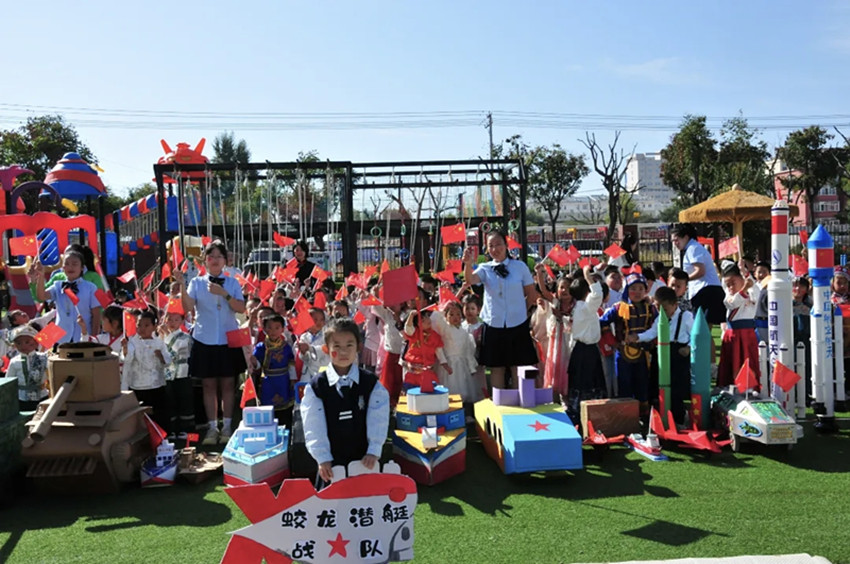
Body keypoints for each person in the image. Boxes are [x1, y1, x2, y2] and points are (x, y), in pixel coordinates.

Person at [300, 317, 390, 484]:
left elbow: (379, 418)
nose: (343, 352)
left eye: (349, 345)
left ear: (358, 347)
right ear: (326, 349)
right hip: (331, 466)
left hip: (365, 461)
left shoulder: (371, 384)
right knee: (332, 506)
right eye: (337, 347)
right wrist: (322, 457)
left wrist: (374, 450)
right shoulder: (317, 387)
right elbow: (313, 425)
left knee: (365, 505)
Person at [175, 240, 247, 445]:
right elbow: (187, 306)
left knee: (228, 383)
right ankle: (212, 428)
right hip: (204, 337)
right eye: (211, 256)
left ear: (225, 260)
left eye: (219, 256)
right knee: (208, 384)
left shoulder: (232, 282)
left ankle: (227, 426)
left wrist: (223, 293)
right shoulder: (196, 283)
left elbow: (241, 308)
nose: (215, 260)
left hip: (227, 337)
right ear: (205, 260)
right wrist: (181, 283)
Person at [462, 230, 538, 390]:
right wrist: (468, 264)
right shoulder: (485, 268)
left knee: (518, 367)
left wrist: (520, 312)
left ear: (506, 245)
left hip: (518, 323)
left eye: (498, 244)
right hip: (493, 324)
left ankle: (521, 406)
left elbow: (531, 294)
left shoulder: (520, 267)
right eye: (491, 245)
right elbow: (470, 280)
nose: (495, 249)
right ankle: (500, 405)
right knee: (496, 368)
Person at [630, 286, 693, 425]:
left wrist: (689, 347)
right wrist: (638, 337)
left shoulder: (686, 316)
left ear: (674, 304)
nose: (661, 311)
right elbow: (652, 333)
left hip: (678, 354)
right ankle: (658, 417)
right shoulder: (660, 318)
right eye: (658, 307)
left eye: (664, 308)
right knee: (657, 386)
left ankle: (678, 419)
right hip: (662, 354)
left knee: (677, 388)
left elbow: (695, 335)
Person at [600, 269, 658, 416]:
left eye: (640, 288)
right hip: (623, 354)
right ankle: (626, 417)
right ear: (627, 289)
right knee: (624, 384)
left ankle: (643, 416)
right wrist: (613, 341)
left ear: (646, 290)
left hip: (643, 354)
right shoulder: (619, 307)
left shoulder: (651, 308)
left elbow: (658, 327)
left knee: (642, 384)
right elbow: (602, 323)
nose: (637, 292)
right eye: (633, 288)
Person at [30, 251, 101, 343]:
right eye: (66, 264)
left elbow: (96, 315)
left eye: (74, 264)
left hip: (83, 335)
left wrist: (93, 337)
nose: (70, 267)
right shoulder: (58, 285)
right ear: (63, 268)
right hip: (61, 337)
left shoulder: (90, 287)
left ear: (82, 268)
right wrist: (41, 275)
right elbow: (41, 296)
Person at [564, 265, 606, 419]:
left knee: (580, 381)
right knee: (588, 381)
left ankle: (578, 410)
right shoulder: (585, 308)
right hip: (587, 351)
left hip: (581, 350)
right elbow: (597, 295)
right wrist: (587, 275)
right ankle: (586, 412)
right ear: (587, 292)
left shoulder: (578, 308)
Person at [122, 310, 172, 432]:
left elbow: (168, 360)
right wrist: (124, 348)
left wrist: (161, 356)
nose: (142, 328)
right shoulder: (133, 342)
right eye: (139, 325)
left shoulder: (159, 342)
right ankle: (143, 435)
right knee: (142, 412)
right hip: (139, 385)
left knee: (159, 411)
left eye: (146, 325)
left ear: (154, 326)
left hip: (156, 383)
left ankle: (162, 434)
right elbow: (127, 359)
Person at [671, 224, 725, 328]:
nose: (675, 244)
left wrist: (683, 280)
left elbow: (700, 271)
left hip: (705, 292)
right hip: (709, 291)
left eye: (676, 240)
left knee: (701, 331)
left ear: (686, 237)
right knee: (704, 332)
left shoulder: (693, 248)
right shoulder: (694, 248)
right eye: (673, 241)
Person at [718, 264, 761, 391]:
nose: (730, 287)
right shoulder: (728, 295)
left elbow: (756, 295)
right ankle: (728, 389)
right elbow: (732, 304)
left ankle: (750, 389)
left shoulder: (752, 290)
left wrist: (746, 275)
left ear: (741, 279)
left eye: (733, 282)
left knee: (747, 362)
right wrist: (743, 289)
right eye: (727, 284)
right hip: (731, 334)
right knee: (730, 364)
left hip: (746, 334)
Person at [430, 300, 478, 403]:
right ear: (446, 317)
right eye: (451, 314)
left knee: (463, 389)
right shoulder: (445, 330)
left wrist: (471, 367)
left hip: (462, 364)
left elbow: (468, 352)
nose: (455, 317)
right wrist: (443, 307)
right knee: (449, 388)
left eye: (458, 314)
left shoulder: (465, 333)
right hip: (448, 364)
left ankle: (464, 411)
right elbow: (437, 319)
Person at [252, 314, 296, 415]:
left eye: (277, 328)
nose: (273, 331)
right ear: (264, 329)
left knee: (285, 408)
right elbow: (258, 365)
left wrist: (292, 379)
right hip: (268, 380)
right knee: (268, 408)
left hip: (283, 379)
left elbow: (291, 363)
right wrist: (254, 361)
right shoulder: (261, 347)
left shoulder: (286, 346)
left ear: (282, 329)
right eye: (270, 328)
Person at [162, 309, 194, 437]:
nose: (172, 323)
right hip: (167, 372)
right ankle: (171, 429)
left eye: (176, 320)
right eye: (169, 319)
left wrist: (166, 335)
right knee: (170, 400)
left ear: (182, 321)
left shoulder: (185, 337)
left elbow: (175, 349)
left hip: (182, 372)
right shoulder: (160, 336)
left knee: (184, 400)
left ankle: (185, 429)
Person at [401, 309, 448, 392]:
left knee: (430, 390)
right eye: (422, 320)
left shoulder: (435, 336)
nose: (427, 320)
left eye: (427, 317)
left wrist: (444, 363)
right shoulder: (414, 333)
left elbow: (439, 351)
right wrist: (411, 316)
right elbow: (408, 328)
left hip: (427, 370)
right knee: (412, 392)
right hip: (413, 371)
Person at [7, 324, 49, 412]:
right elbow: (9, 381)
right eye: (18, 343)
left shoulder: (44, 358)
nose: (23, 346)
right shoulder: (14, 362)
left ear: (36, 343)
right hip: (22, 398)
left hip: (42, 395)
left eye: (27, 342)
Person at [298, 308, 330, 382]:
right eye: (315, 319)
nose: (318, 322)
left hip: (322, 370)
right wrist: (303, 353)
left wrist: (310, 348)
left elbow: (325, 349)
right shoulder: (304, 337)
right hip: (308, 373)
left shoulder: (327, 336)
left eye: (322, 319)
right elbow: (304, 358)